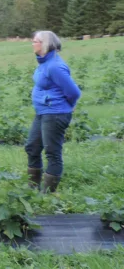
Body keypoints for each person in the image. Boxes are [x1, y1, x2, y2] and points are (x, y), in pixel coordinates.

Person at [26, 31, 81, 193]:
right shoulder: (44, 62)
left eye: (35, 41)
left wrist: (69, 106)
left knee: (52, 152)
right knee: (32, 147)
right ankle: (32, 188)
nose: (32, 44)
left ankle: (48, 194)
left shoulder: (55, 66)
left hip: (55, 113)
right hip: (43, 112)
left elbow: (74, 92)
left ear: (45, 44)